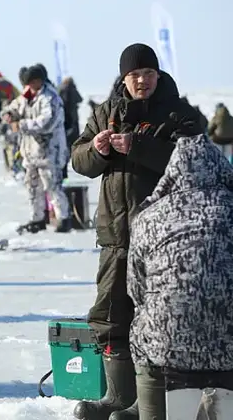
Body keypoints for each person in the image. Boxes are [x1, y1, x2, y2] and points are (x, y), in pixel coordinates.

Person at [71, 43, 205, 420]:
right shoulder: (106, 112)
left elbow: (192, 161)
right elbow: (79, 159)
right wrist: (97, 150)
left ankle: (150, 404)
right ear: (124, 78)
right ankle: (118, 396)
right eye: (134, 75)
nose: (141, 81)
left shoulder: (181, 114)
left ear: (158, 76)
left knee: (159, 318)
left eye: (147, 74)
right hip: (116, 235)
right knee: (111, 314)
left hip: (166, 240)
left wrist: (139, 146)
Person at [127, 135, 233, 419]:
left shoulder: (149, 217)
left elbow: (136, 290)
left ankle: (152, 412)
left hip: (170, 344)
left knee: (140, 332)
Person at [2, 65, 71, 233]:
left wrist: (21, 124)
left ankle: (63, 218)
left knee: (52, 185)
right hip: (30, 151)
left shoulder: (51, 98)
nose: (29, 86)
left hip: (50, 152)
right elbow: (11, 108)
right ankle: (37, 218)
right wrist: (8, 114)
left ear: (39, 80)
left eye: (32, 82)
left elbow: (47, 123)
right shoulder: (26, 96)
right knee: (32, 187)